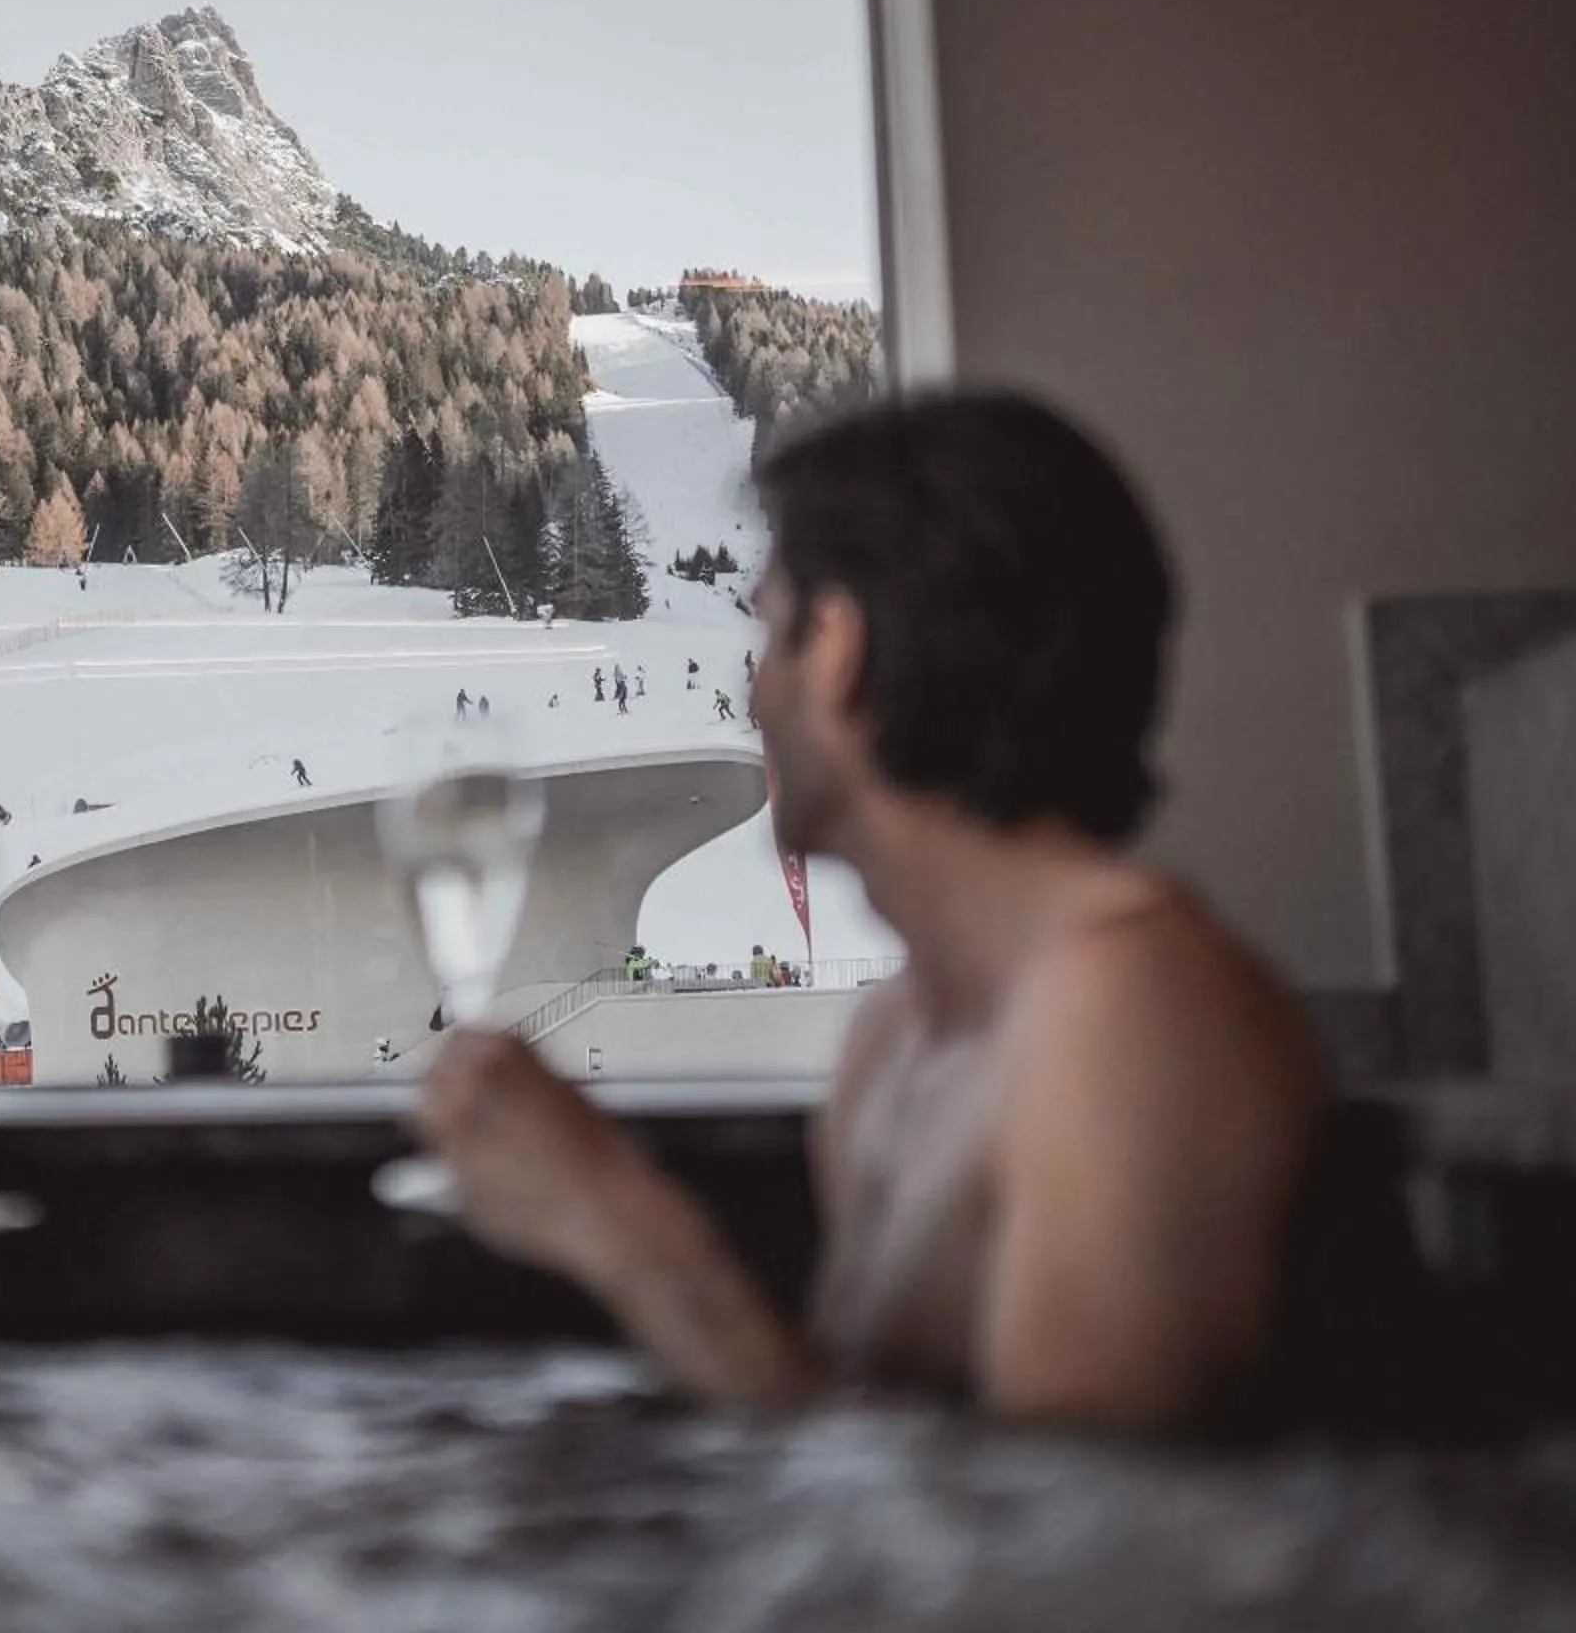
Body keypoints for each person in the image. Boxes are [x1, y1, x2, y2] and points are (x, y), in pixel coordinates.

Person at [415, 392, 1320, 1432]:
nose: (753, 698)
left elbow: (1076, 1559)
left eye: (766, 635)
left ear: (838, 648)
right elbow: (859, 1466)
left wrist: (627, 1231)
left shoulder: (1132, 1012)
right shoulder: (900, 1036)